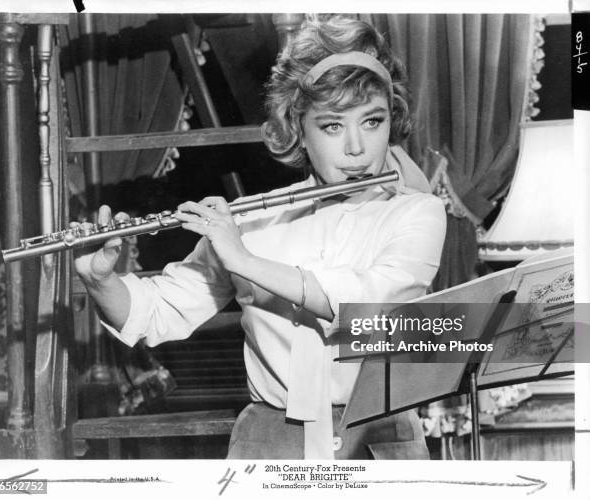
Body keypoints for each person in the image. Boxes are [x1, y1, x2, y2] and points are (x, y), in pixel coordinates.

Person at [74, 16, 447, 460]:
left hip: (380, 439)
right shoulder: (256, 218)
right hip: (271, 439)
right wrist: (101, 281)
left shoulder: (418, 212)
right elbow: (158, 311)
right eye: (331, 126)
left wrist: (244, 260)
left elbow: (369, 305)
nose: (356, 147)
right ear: (298, 129)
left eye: (372, 121)